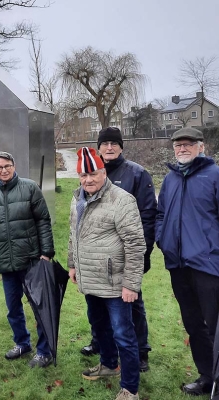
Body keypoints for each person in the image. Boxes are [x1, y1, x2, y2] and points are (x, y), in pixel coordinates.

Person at [68, 147, 146, 400]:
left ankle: (130, 388)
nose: (88, 179)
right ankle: (109, 365)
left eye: (92, 173)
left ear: (103, 172)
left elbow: (135, 244)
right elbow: (73, 235)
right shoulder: (77, 198)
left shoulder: (122, 200)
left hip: (115, 282)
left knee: (123, 334)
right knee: (99, 327)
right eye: (83, 175)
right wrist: (73, 264)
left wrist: (131, 284)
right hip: (90, 278)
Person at [80, 127, 156, 373]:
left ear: (121, 147)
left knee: (133, 303)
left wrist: (142, 254)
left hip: (127, 257)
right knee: (97, 303)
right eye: (105, 144)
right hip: (99, 258)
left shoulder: (137, 174)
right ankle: (100, 343)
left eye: (114, 143)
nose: (109, 148)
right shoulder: (91, 174)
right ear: (99, 147)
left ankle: (141, 350)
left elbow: (147, 216)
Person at [155, 127, 219, 396]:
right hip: (178, 265)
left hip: (208, 265)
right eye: (178, 145)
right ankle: (207, 375)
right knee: (194, 324)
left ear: (201, 146)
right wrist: (163, 239)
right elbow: (160, 214)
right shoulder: (170, 178)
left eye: (188, 144)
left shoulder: (214, 176)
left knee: (216, 327)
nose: (182, 149)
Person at [0, 151, 55, 368]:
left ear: (14, 166)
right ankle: (22, 343)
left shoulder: (30, 188)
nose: (4, 170)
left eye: (7, 166)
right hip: (6, 262)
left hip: (31, 259)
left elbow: (43, 220)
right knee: (13, 307)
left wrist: (46, 252)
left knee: (39, 307)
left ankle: (44, 351)